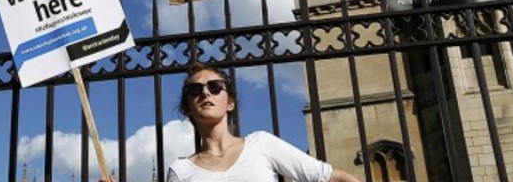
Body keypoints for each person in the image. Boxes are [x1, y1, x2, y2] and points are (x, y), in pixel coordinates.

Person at [100, 63, 360, 182]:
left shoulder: (262, 144)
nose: (205, 93)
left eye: (215, 87)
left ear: (230, 102)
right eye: (195, 90)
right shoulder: (181, 171)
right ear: (187, 108)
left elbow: (335, 178)